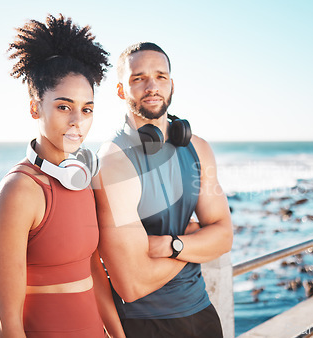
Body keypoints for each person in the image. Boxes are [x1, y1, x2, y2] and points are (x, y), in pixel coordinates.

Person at [0, 14, 124, 337]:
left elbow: (95, 275)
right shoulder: (18, 191)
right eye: (64, 107)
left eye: (87, 109)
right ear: (35, 108)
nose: (78, 120)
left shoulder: (81, 179)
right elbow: (5, 319)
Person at [93, 42, 233, 338]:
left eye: (160, 76)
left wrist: (173, 245)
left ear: (171, 84)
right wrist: (195, 238)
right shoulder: (114, 161)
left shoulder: (198, 149)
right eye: (138, 78)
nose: (152, 86)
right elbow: (132, 284)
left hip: (203, 314)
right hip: (147, 325)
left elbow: (223, 237)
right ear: (121, 90)